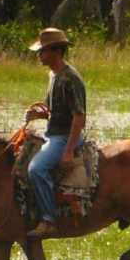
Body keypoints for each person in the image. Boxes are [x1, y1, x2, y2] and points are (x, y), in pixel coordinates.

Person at [23, 28, 86, 238]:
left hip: (64, 137)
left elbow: (79, 116)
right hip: (54, 134)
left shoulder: (70, 78)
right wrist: (39, 115)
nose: (39, 55)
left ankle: (49, 219)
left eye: (42, 51)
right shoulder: (53, 75)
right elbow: (55, 111)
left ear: (56, 51)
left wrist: (68, 151)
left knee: (36, 169)